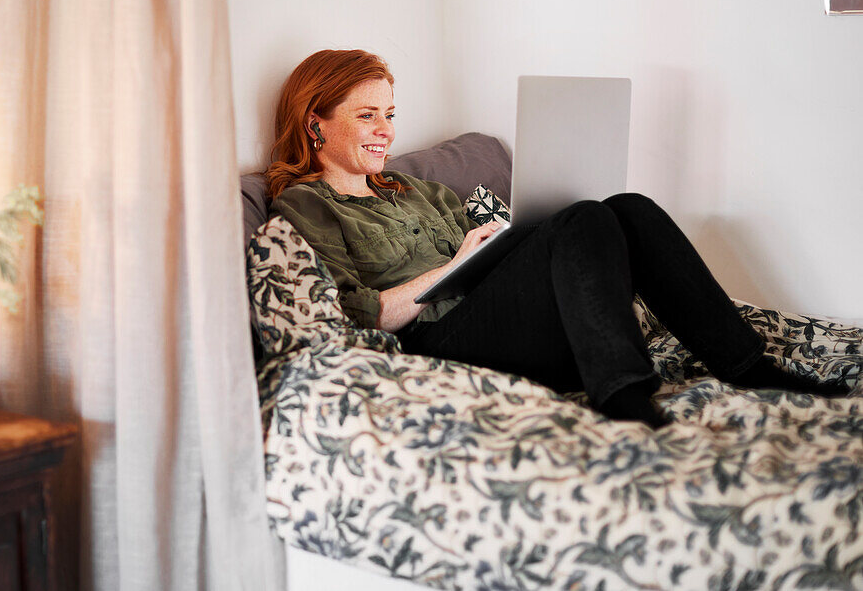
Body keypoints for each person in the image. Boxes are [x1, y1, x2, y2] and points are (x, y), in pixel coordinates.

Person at [265, 49, 848, 427]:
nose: (386, 131)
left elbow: (489, 257)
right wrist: (448, 270)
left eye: (390, 114)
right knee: (582, 219)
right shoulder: (304, 205)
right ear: (316, 122)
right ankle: (622, 394)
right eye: (368, 115)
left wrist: (505, 238)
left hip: (505, 319)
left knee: (626, 208)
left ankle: (750, 368)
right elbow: (355, 317)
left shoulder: (416, 190)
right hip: (438, 341)